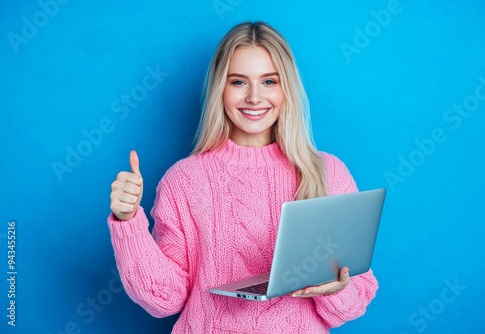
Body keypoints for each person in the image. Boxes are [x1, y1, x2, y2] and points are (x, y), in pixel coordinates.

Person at [108, 21, 378, 333]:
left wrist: (336, 289)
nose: (253, 97)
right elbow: (164, 300)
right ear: (220, 89)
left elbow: (356, 302)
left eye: (268, 82)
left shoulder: (327, 173)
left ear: (285, 88)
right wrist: (128, 224)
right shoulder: (183, 180)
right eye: (238, 82)